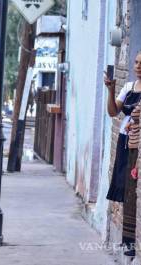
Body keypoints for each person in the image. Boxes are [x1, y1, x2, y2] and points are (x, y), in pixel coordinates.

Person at [104, 52, 141, 257]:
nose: (137, 66)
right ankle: (127, 242)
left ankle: (131, 244)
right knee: (125, 189)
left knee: (132, 188)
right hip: (124, 142)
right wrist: (110, 90)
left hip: (137, 145)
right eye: (136, 62)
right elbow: (112, 112)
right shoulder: (128, 88)